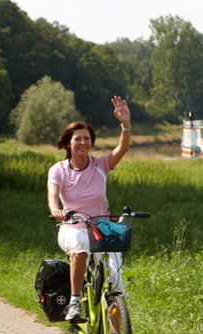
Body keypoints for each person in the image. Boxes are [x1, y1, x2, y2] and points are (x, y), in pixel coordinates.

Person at [47, 96, 131, 321]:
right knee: (82, 247)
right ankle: (74, 302)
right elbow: (52, 196)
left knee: (116, 282)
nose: (83, 143)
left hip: (103, 227)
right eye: (78, 139)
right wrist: (56, 210)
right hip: (72, 226)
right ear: (68, 143)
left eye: (87, 139)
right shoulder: (59, 170)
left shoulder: (101, 165)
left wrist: (125, 124)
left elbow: (122, 148)